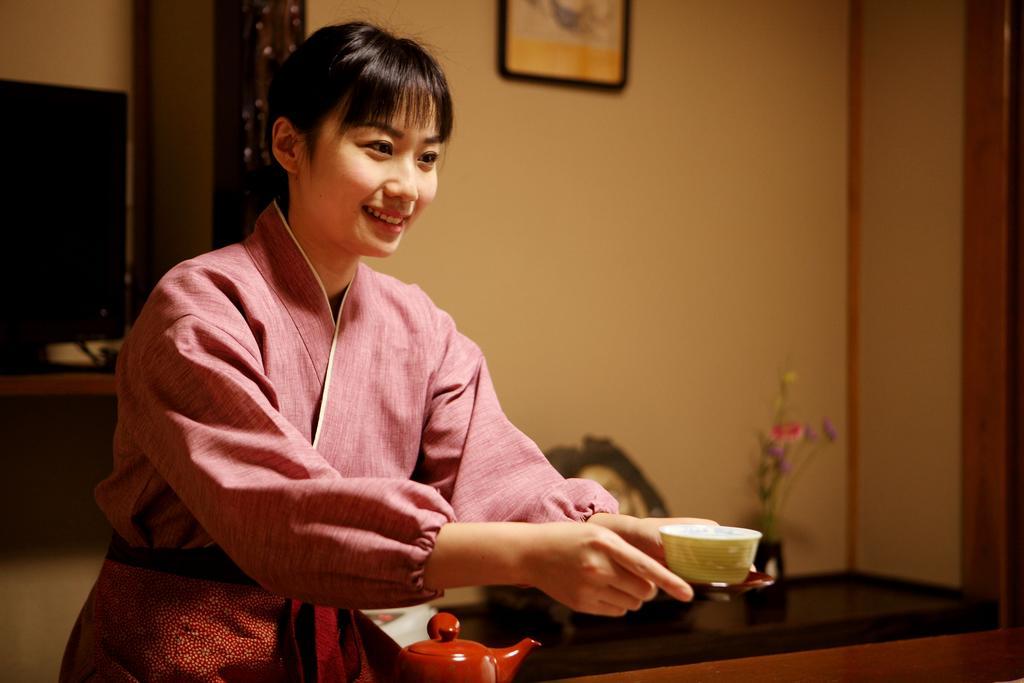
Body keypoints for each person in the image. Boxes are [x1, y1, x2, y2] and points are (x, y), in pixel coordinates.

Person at [60, 22, 712, 682]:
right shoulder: (199, 306)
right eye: (380, 147)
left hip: (333, 653)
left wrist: (617, 531)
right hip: (181, 651)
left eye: (427, 158)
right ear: (289, 144)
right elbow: (281, 513)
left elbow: (499, 472)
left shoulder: (419, 327)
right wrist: (533, 555)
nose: (408, 185)